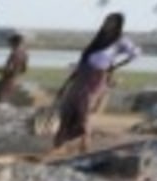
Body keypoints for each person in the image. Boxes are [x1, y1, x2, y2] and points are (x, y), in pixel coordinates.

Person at [55, 13, 138, 151]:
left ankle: (85, 143)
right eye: (106, 21)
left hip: (97, 78)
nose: (107, 24)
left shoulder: (120, 41)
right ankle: (61, 143)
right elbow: (83, 61)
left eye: (111, 22)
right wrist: (67, 83)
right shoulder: (98, 40)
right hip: (82, 75)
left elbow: (134, 54)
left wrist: (115, 66)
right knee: (68, 107)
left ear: (118, 25)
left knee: (84, 109)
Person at [0, 33, 28, 106]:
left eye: (10, 43)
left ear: (14, 43)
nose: (9, 45)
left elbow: (10, 69)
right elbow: (24, 70)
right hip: (15, 79)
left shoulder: (14, 54)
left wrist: (0, 70)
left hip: (7, 79)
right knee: (2, 98)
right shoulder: (25, 54)